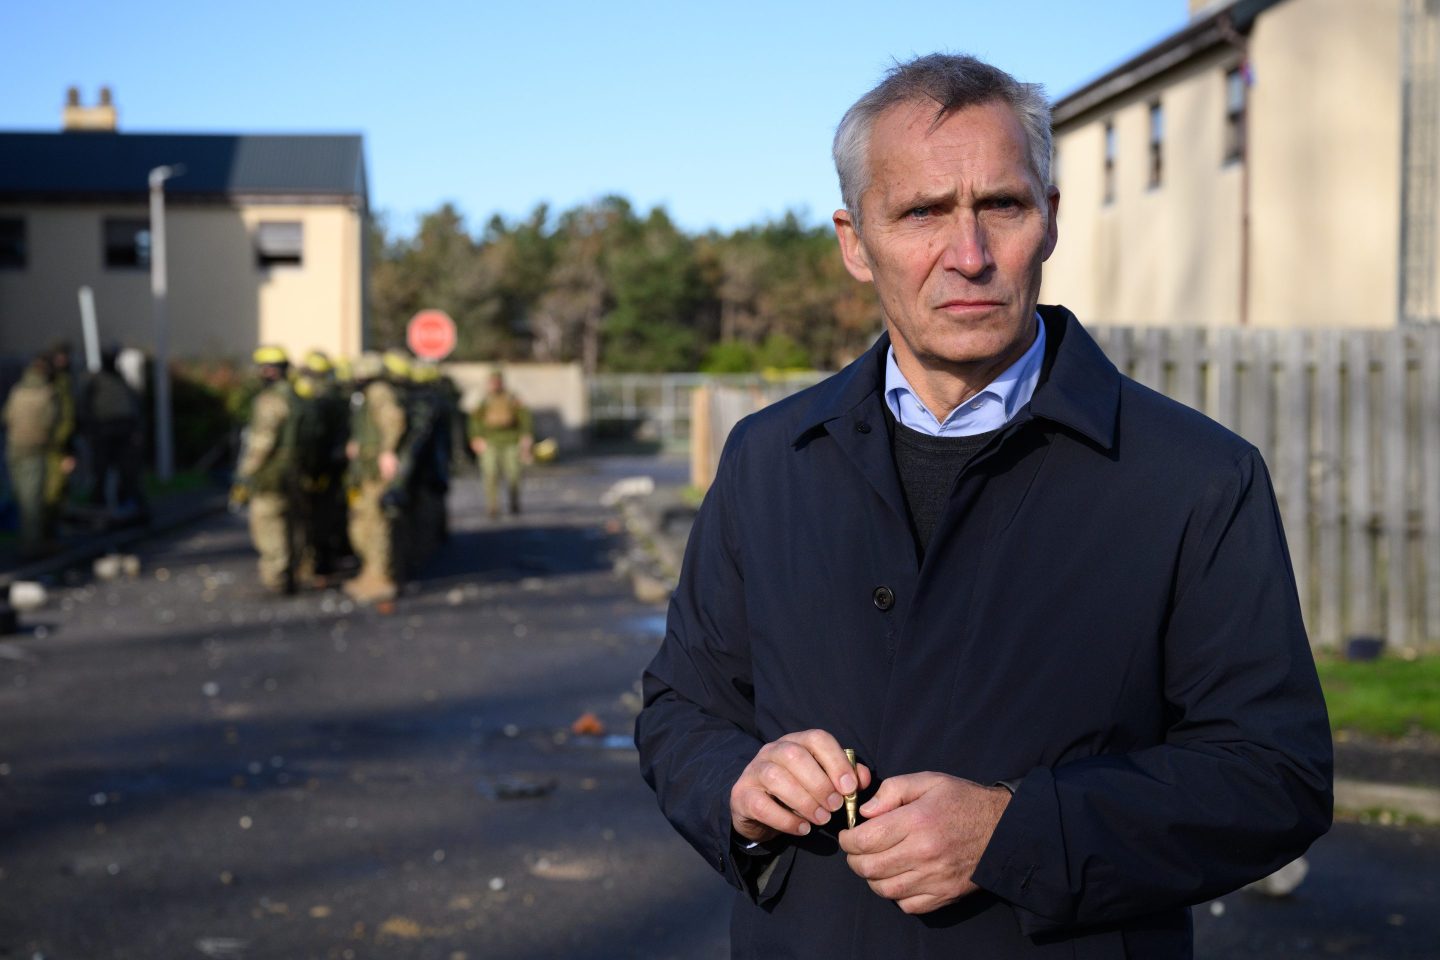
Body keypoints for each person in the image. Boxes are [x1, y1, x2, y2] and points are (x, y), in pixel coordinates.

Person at [635, 54, 1332, 958]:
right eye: (922, 212)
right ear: (855, 241)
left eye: (1001, 205)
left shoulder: (1195, 476)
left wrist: (1017, 834)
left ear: (1050, 218)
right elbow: (681, 707)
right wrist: (737, 783)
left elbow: (1274, 776)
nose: (968, 255)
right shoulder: (768, 460)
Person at [230, 345, 298, 594]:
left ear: (269, 370)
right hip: (294, 471)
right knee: (290, 523)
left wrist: (244, 476)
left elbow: (261, 443)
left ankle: (277, 576)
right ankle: (291, 570)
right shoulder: (295, 395)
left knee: (268, 524)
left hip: (271, 475)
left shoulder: (270, 401)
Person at [344, 351, 407, 604]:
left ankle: (379, 578)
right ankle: (371, 573)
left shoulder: (379, 391)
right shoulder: (366, 395)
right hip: (365, 467)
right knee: (364, 523)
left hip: (374, 468)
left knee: (376, 524)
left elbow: (394, 421)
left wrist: (388, 451)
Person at [290, 349, 350, 587]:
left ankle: (314, 563)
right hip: (324, 468)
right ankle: (320, 561)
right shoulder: (334, 399)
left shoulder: (313, 400)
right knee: (323, 517)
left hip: (319, 468)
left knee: (312, 518)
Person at [79, 341, 146, 525]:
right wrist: (89, 428)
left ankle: (130, 506)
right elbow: (85, 407)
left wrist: (136, 428)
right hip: (104, 430)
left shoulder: (120, 379)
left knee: (128, 471)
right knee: (100, 470)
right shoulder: (95, 380)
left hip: (123, 429)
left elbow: (133, 405)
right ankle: (98, 507)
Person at [3, 354, 59, 559]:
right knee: (33, 502)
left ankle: (26, 543)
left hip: (13, 449)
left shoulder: (17, 391)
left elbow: (7, 417)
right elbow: (50, 422)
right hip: (35, 451)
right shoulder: (47, 393)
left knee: (21, 498)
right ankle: (31, 547)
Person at [467, 369, 532, 519]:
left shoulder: (512, 398)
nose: (494, 385)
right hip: (490, 442)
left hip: (510, 441)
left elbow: (524, 417)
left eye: (497, 381)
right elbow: (474, 420)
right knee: (490, 474)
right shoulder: (483, 400)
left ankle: (514, 504)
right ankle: (493, 507)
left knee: (514, 475)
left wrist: (526, 436)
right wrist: (475, 438)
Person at [43, 340, 77, 539]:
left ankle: (53, 532)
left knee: (58, 489)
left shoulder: (63, 381)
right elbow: (66, 416)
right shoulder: (56, 383)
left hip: (59, 443)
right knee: (53, 491)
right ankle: (48, 534)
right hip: (54, 444)